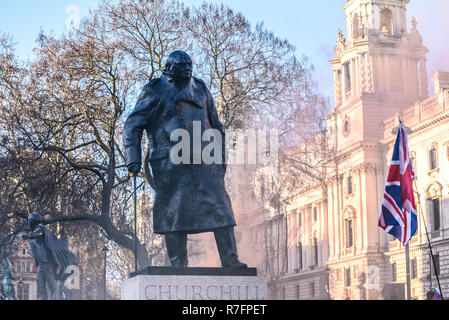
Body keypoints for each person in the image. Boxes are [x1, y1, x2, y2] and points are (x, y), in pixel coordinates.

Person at [123, 50, 247, 268]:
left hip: (204, 162)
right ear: (170, 68)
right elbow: (132, 125)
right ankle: (178, 263)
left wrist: (220, 159)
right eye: (182, 66)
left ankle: (230, 258)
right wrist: (132, 157)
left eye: (190, 65)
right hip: (171, 163)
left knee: (221, 208)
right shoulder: (154, 90)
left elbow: (216, 125)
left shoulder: (200, 88)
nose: (187, 70)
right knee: (175, 213)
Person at [20, 213, 77, 299]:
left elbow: (40, 234)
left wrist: (29, 236)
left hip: (47, 264)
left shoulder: (41, 229)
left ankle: (56, 298)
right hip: (41, 265)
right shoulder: (34, 232)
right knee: (40, 285)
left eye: (29, 221)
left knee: (52, 285)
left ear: (33, 221)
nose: (28, 223)